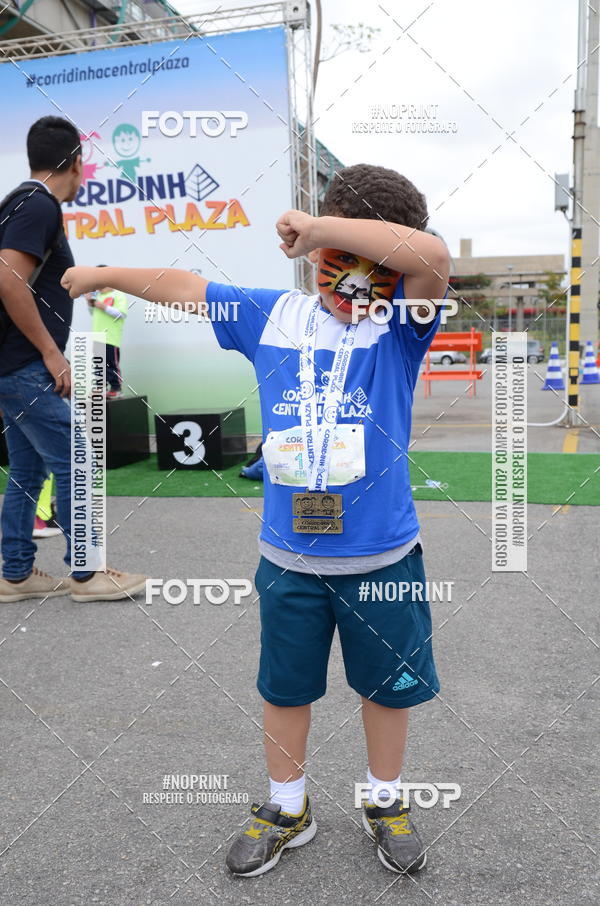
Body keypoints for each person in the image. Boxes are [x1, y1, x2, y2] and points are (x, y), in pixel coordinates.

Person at [61, 163, 450, 875]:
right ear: (318, 260)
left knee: (386, 687)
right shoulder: (272, 315)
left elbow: (431, 258)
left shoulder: (400, 329)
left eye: (375, 267)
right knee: (285, 685)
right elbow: (186, 289)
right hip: (290, 558)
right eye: (339, 264)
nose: (355, 286)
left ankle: (385, 799)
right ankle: (287, 805)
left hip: (382, 557)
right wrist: (105, 274)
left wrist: (320, 228)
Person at [0, 116, 147, 604]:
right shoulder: (39, 205)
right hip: (24, 367)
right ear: (77, 164)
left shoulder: (18, 203)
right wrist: (50, 352)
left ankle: (16, 574)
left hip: (12, 368)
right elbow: (9, 281)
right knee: (76, 460)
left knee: (27, 471)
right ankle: (87, 574)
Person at [85, 265, 128, 398]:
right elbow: (92, 313)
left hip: (110, 337)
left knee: (111, 365)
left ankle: (116, 388)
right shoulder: (97, 296)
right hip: (97, 337)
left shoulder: (118, 294)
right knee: (98, 365)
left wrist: (101, 306)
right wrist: (90, 304)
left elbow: (121, 314)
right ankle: (100, 388)